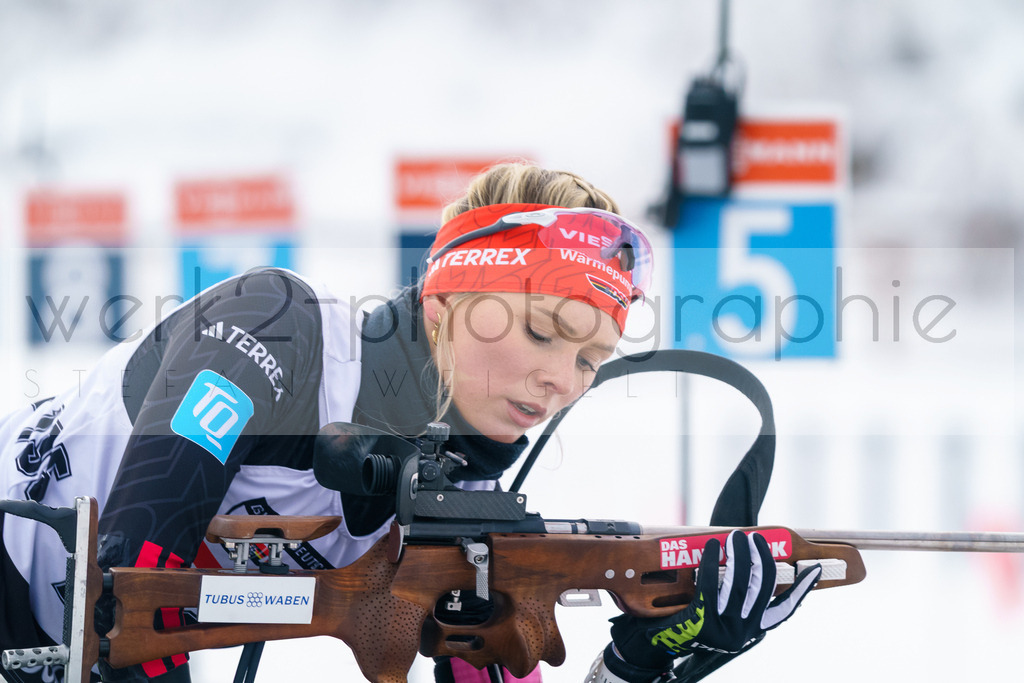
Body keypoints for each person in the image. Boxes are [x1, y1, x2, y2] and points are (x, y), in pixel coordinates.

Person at [0, 161, 818, 683]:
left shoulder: (464, 487)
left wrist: (646, 663)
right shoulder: (278, 330)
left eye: (589, 361)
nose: (558, 380)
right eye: (541, 331)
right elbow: (124, 588)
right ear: (447, 297)